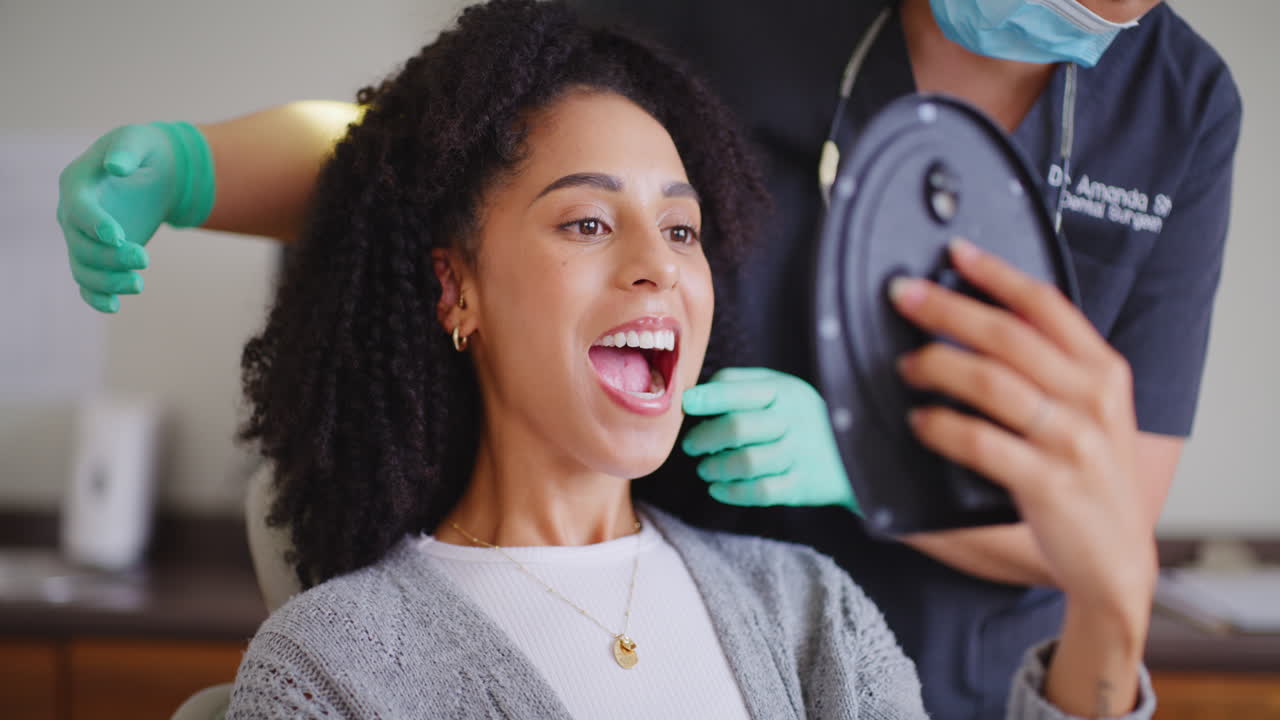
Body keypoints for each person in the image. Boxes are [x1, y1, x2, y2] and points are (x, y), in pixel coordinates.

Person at [54, 0, 1240, 716]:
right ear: (452, 289)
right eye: (591, 224)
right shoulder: (348, 668)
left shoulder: (807, 621)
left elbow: (1104, 515)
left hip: (964, 663)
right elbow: (438, 150)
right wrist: (191, 164)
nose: (656, 266)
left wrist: (868, 461)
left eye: (686, 227)